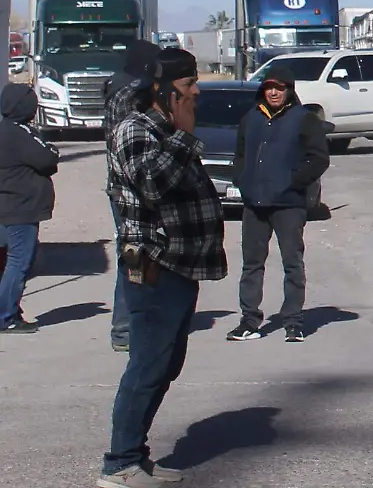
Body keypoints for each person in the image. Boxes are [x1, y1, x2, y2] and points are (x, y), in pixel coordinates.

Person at [100, 47, 225, 488]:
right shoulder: (136, 129)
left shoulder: (164, 127)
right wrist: (185, 136)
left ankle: (136, 455)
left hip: (180, 266)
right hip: (154, 265)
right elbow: (153, 184)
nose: (196, 94)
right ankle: (119, 465)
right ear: (165, 90)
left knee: (164, 365)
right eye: (189, 86)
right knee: (147, 365)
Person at [227, 71, 329, 343]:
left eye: (280, 88)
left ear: (289, 90)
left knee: (292, 264)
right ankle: (249, 321)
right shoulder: (251, 119)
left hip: (288, 205)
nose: (274, 93)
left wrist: (293, 182)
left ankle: (293, 322)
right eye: (269, 88)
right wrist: (243, 179)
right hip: (254, 204)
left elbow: (319, 159)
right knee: (252, 264)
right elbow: (239, 156)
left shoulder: (304, 119)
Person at [102, 41, 162, 353]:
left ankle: (130, 325)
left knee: (135, 255)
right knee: (135, 256)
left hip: (122, 187)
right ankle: (127, 328)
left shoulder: (117, 85)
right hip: (133, 190)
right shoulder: (132, 94)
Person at [0, 82, 59, 335]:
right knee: (19, 263)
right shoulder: (19, 133)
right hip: (19, 208)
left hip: (9, 206)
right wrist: (51, 149)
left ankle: (9, 309)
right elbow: (48, 158)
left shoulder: (5, 131)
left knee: (11, 262)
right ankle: (6, 316)